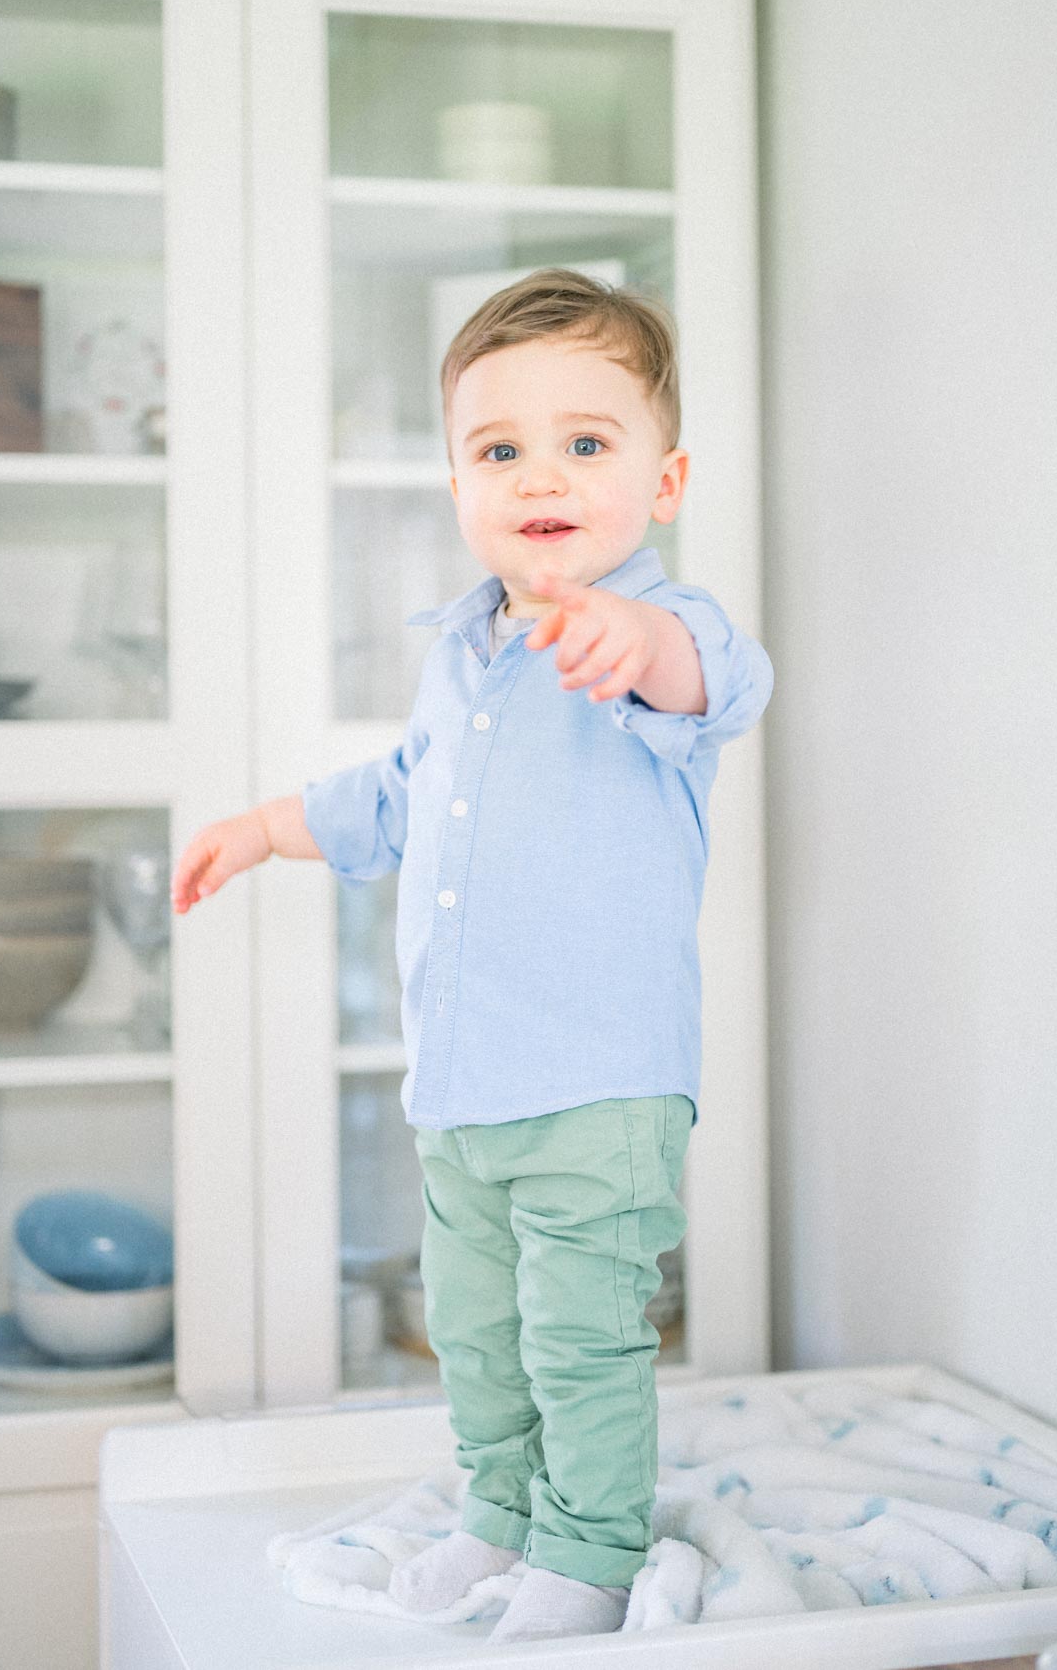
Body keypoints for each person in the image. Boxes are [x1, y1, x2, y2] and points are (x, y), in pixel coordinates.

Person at [170, 267, 773, 1644]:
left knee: (580, 1336)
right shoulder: (462, 652)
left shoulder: (658, 641)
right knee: (479, 1335)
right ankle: (498, 1511)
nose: (539, 473)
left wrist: (639, 640)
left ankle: (588, 1548)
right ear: (458, 484)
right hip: (462, 1086)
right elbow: (395, 793)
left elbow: (721, 684)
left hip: (598, 1085)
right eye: (500, 449)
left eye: (585, 442)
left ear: (663, 480)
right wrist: (269, 826)